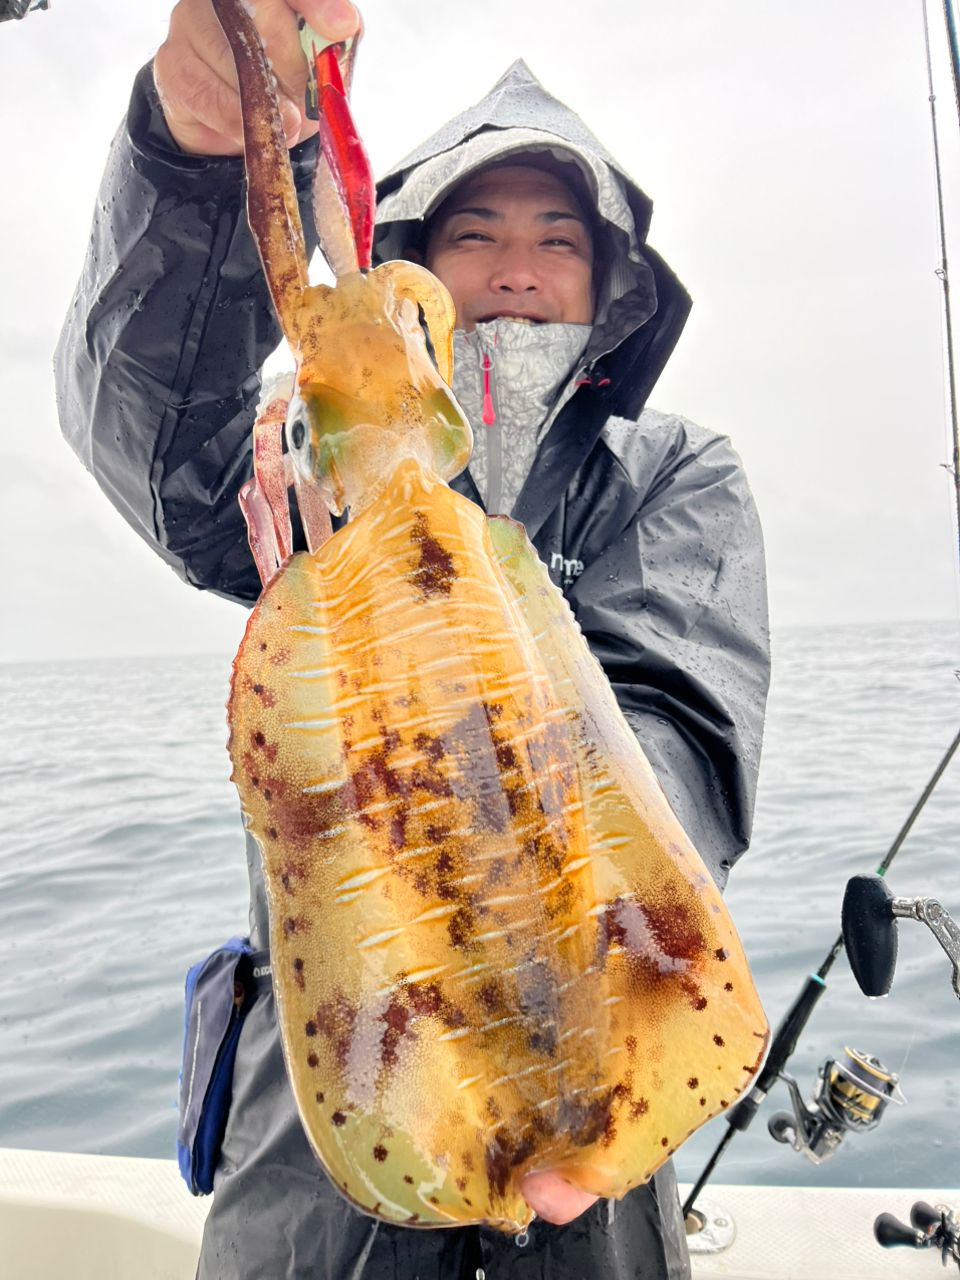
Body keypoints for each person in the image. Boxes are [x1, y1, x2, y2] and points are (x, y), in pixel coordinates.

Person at [54, 1, 770, 1276]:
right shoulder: (304, 457)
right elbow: (155, 443)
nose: (514, 263)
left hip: (600, 1124)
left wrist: (522, 911)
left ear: (609, 289)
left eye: (558, 238)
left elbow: (682, 727)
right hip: (324, 1164)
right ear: (416, 267)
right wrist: (196, 156)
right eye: (473, 232)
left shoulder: (670, 474)